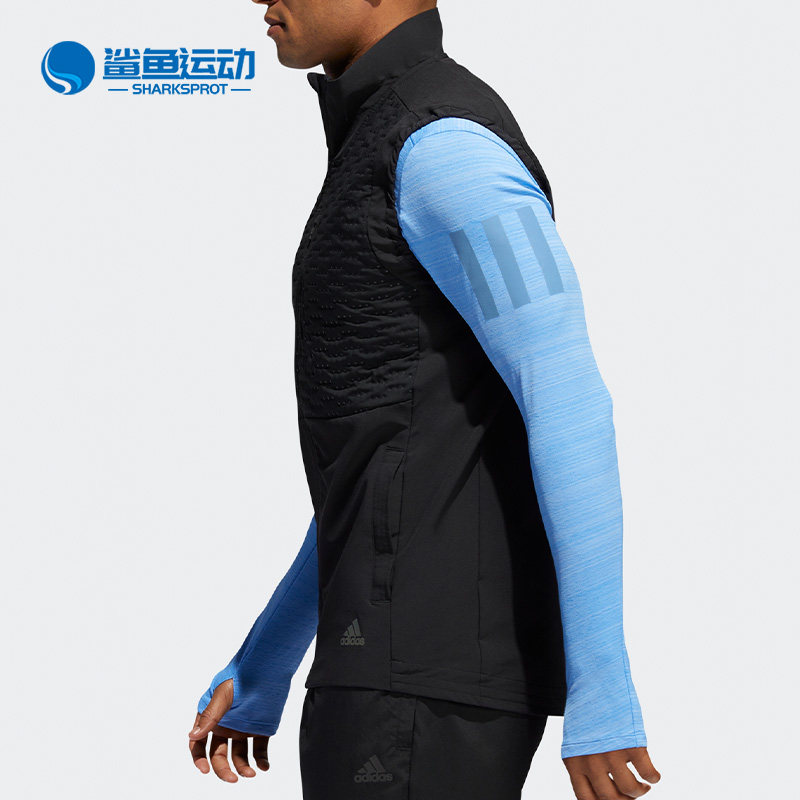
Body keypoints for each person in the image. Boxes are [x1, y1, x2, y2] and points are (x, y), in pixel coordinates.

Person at [187, 2, 663, 798]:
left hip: (419, 687)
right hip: (389, 672)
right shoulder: (384, 137)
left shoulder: (442, 145)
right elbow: (383, 468)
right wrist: (268, 655)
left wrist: (603, 687)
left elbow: (569, 399)